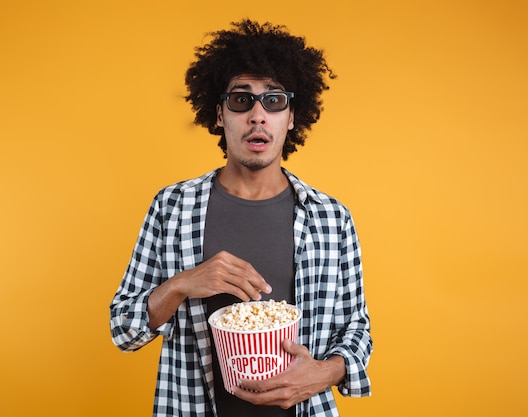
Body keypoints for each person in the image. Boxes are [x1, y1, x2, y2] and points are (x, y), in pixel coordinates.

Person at [109, 19, 372, 417]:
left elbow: (357, 332)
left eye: (274, 101)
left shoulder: (330, 218)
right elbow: (123, 328)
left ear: (292, 117)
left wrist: (323, 373)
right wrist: (182, 283)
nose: (257, 116)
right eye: (241, 100)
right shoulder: (173, 206)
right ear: (219, 114)